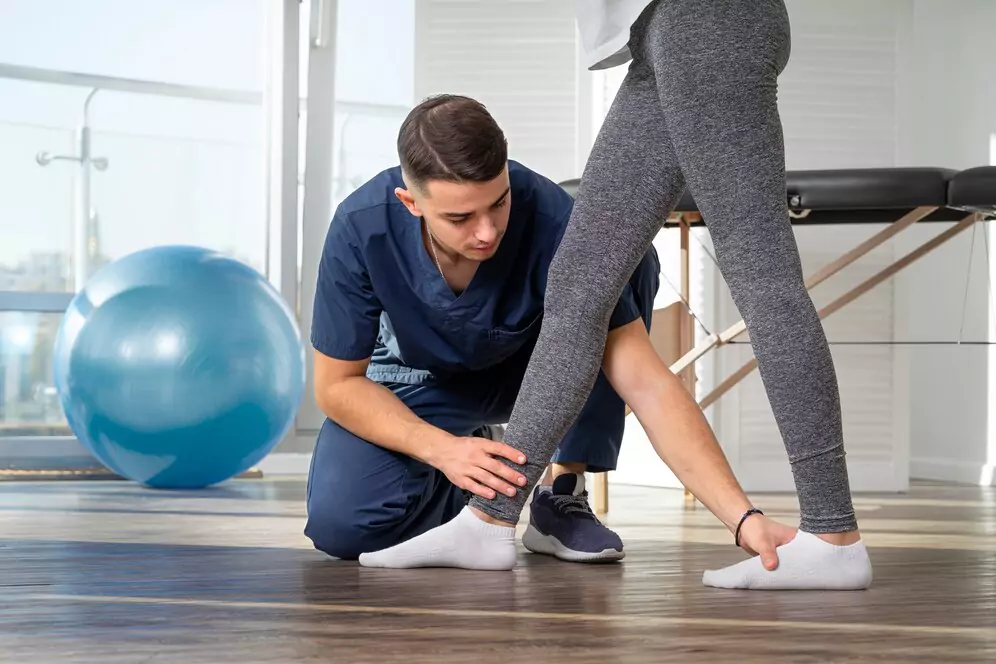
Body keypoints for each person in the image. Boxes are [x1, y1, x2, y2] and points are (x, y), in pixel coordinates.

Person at [357, 0, 875, 591]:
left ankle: (834, 536)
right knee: (578, 284)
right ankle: (490, 519)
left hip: (708, 18)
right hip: (657, 27)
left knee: (764, 279)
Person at [305, 93, 661, 564]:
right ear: (411, 203)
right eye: (459, 218)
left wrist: (742, 516)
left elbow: (641, 375)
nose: (488, 232)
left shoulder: (555, 218)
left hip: (542, 376)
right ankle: (484, 486)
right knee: (343, 527)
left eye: (498, 204)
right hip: (425, 381)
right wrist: (444, 451)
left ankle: (561, 493)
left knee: (627, 259)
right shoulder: (361, 227)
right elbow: (336, 385)